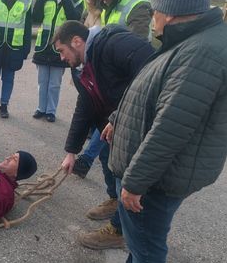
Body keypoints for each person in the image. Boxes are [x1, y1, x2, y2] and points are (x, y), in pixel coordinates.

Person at [88, 0, 227, 263]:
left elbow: (171, 126)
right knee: (139, 238)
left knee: (148, 243)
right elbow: (151, 90)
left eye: (155, 8)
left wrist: (136, 182)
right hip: (155, 169)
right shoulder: (188, 41)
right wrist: (116, 118)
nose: (152, 14)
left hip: (161, 176)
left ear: (171, 12)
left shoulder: (202, 53)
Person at [53, 21, 153, 250]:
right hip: (110, 127)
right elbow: (84, 105)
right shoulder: (80, 66)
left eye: (62, 51)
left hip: (133, 127)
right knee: (108, 163)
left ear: (77, 41)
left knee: (124, 179)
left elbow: (153, 74)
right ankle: (115, 200)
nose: (61, 58)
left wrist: (119, 116)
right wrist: (71, 151)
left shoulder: (115, 44)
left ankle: (118, 231)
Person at [31, 0, 84, 123]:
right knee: (42, 81)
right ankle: (41, 108)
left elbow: (75, 18)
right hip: (44, 46)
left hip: (61, 49)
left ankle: (51, 111)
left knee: (54, 83)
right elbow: (36, 18)